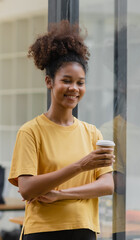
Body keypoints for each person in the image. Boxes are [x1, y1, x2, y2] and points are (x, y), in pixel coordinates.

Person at [8, 20, 115, 240]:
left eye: (80, 82)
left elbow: (106, 185)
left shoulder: (92, 133)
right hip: (42, 231)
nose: (74, 88)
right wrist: (81, 165)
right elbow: (27, 188)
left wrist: (61, 195)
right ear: (49, 82)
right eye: (66, 81)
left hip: (84, 230)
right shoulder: (31, 131)